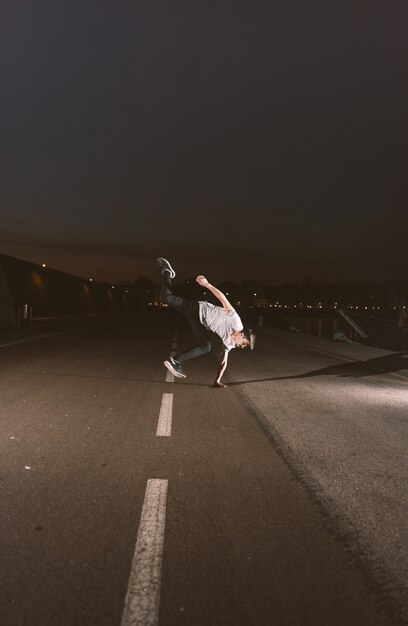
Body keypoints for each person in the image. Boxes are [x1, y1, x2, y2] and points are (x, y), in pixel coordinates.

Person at [157, 257, 255, 387]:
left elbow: (223, 362)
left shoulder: (229, 344)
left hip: (199, 321)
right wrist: (207, 284)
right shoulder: (237, 322)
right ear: (242, 335)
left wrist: (217, 381)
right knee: (166, 297)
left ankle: (175, 361)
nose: (242, 347)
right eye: (245, 344)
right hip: (198, 309)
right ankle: (167, 272)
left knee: (206, 346)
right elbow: (223, 299)